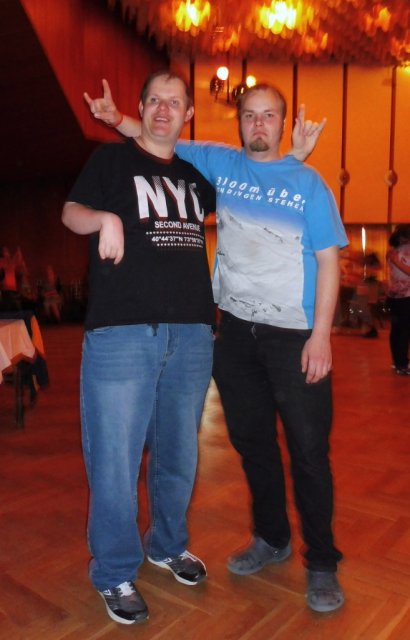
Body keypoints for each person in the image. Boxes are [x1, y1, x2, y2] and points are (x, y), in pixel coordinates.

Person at [85, 79, 345, 613]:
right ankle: (271, 537)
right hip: (235, 334)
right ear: (239, 122)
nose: (258, 123)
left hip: (295, 335)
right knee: (252, 444)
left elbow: (328, 260)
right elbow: (158, 132)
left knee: (308, 451)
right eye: (250, 115)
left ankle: (322, 561)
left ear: (283, 122)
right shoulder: (220, 164)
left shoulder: (310, 182)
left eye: (268, 115)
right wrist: (115, 119)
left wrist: (321, 335)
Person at [62, 70, 218, 626]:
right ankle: (114, 569)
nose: (163, 110)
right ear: (143, 107)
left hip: (192, 333)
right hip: (122, 332)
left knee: (179, 453)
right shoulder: (110, 160)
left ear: (188, 114)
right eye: (155, 100)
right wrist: (104, 218)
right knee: (115, 459)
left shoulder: (198, 178)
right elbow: (70, 213)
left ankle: (167, 544)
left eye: (174, 102)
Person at [386, 224, 410, 376]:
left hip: (394, 295)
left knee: (397, 330)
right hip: (406, 295)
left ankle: (398, 362)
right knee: (403, 331)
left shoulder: (392, 251)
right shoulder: (404, 250)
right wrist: (398, 262)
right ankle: (402, 364)